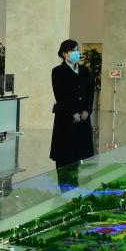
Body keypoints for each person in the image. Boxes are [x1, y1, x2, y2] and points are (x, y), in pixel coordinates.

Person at [50, 39, 95, 189]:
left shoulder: (84, 70)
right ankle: (65, 190)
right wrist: (72, 112)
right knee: (64, 156)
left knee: (78, 154)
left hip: (83, 118)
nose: (76, 53)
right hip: (66, 119)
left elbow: (90, 92)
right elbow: (60, 95)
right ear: (64, 54)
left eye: (77, 50)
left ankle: (75, 188)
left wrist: (87, 110)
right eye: (73, 51)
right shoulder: (58, 71)